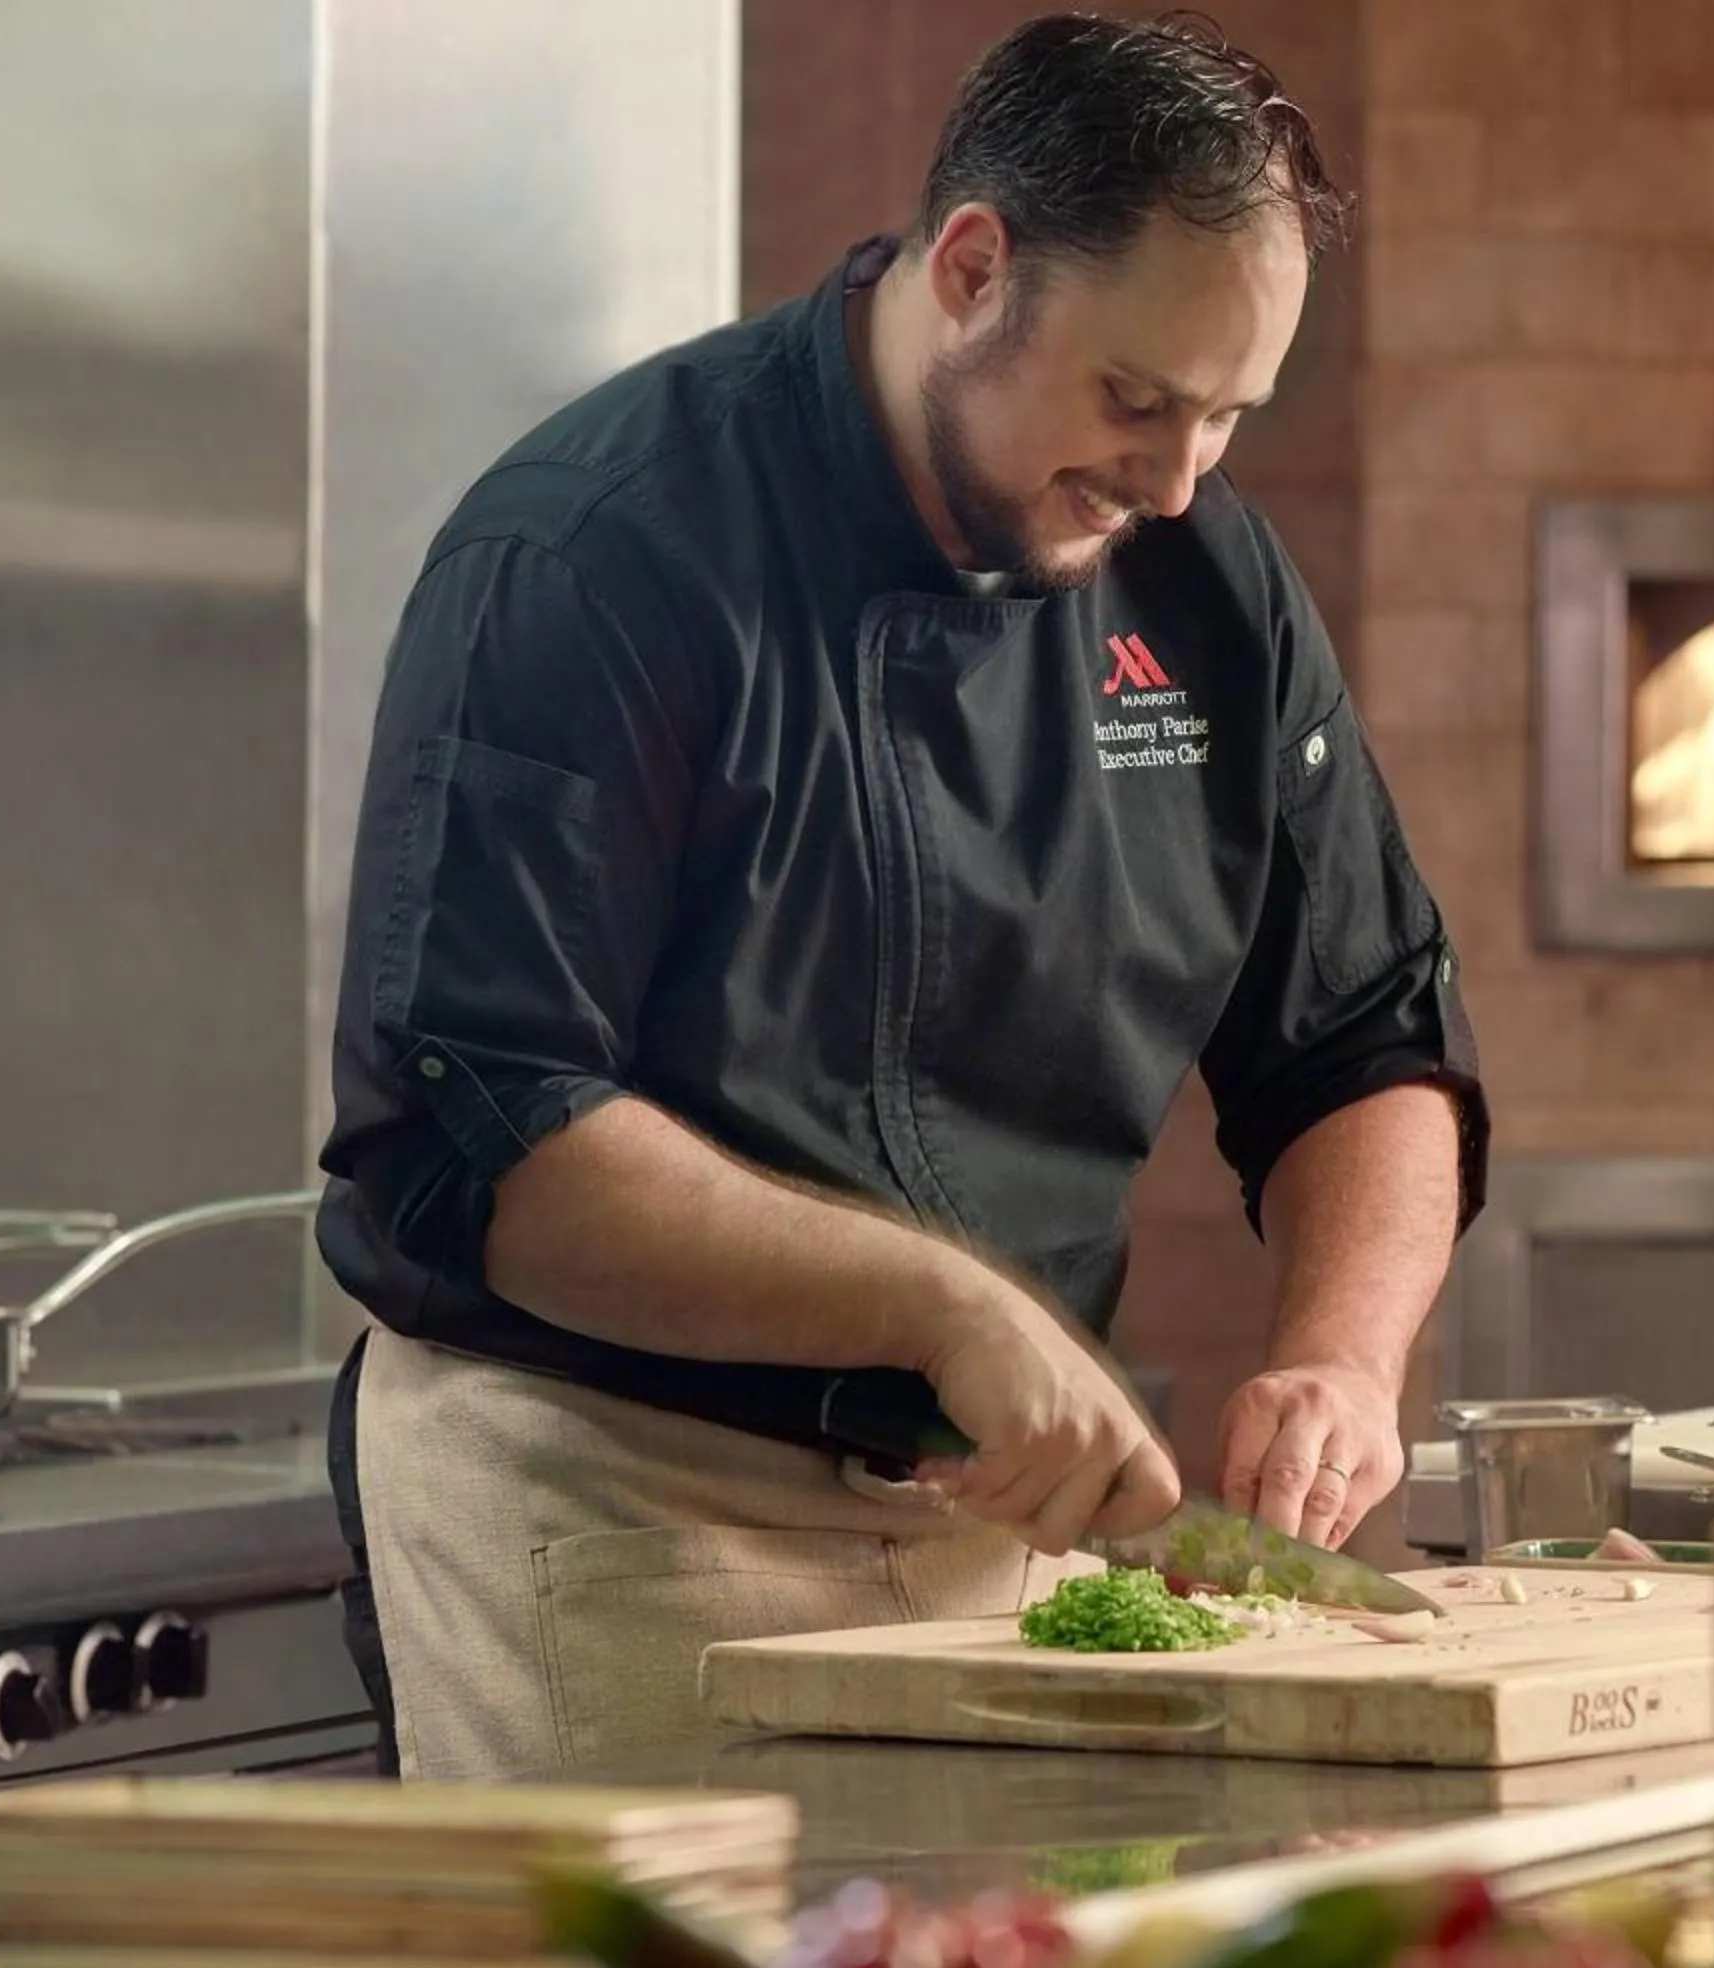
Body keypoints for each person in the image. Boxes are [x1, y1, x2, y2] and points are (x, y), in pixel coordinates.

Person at [316, 10, 1488, 1779]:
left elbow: (1363, 1035)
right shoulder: (594, 556)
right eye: (1138, 399)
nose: (1178, 479)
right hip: (618, 1506)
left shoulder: (1200, 570)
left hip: (993, 1538)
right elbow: (499, 1142)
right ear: (970, 267)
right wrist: (946, 1304)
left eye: (1229, 417)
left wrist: (1341, 1355)